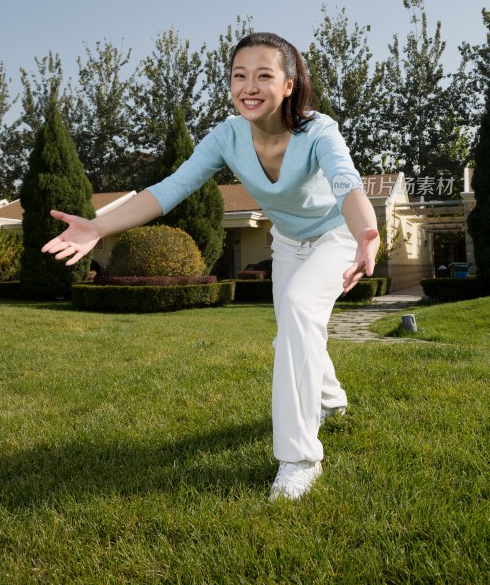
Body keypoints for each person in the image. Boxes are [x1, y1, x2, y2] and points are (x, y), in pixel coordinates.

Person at [42, 32, 379, 501]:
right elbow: (168, 189)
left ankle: (299, 459)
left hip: (338, 234)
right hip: (287, 243)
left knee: (301, 309)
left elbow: (347, 183)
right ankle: (331, 399)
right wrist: (99, 227)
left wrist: (367, 231)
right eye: (239, 75)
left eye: (264, 75)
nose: (249, 86)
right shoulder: (227, 136)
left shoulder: (318, 130)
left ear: (288, 84)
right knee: (293, 331)